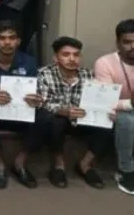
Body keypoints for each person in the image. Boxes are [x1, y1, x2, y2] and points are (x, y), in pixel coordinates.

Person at [0, 20, 43, 189]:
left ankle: (20, 162)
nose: (7, 42)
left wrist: (36, 99)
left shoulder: (29, 62)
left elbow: (37, 90)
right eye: (2, 38)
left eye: (12, 38)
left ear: (18, 41)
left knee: (45, 116)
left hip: (20, 112)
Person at [36, 37, 107, 189]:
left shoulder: (89, 75)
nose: (72, 59)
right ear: (56, 57)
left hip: (82, 120)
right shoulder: (44, 74)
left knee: (108, 121)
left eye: (76, 55)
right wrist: (64, 110)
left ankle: (85, 165)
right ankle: (58, 166)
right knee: (55, 121)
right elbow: (42, 102)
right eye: (66, 54)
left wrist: (105, 111)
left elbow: (99, 102)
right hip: (60, 120)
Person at [93, 19, 134, 195]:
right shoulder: (105, 63)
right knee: (128, 120)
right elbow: (105, 101)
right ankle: (126, 171)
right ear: (118, 43)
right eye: (127, 42)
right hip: (117, 114)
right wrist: (131, 103)